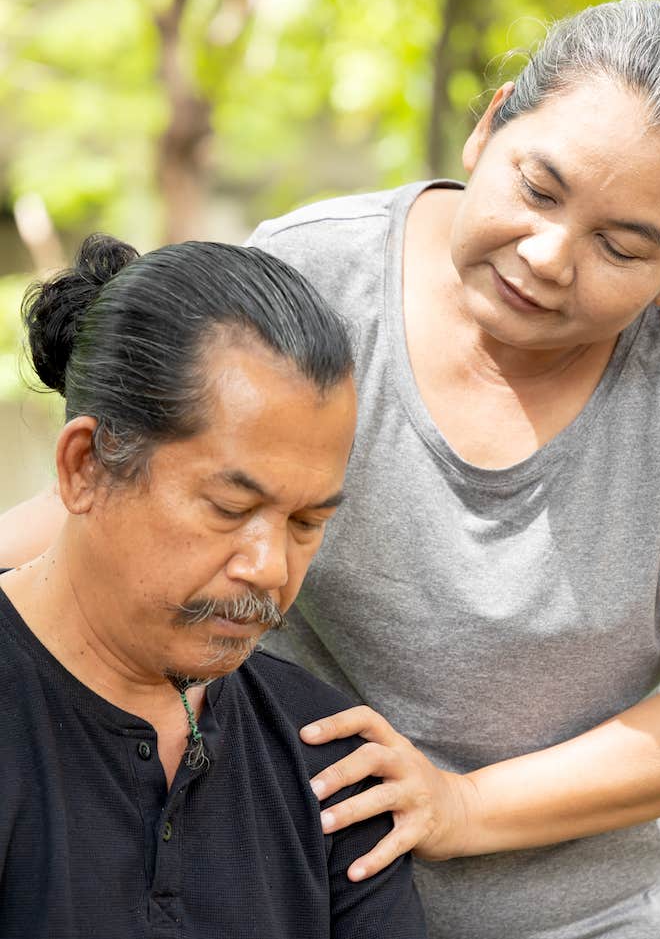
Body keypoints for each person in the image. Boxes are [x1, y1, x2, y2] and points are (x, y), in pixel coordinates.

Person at [0, 0, 660, 939]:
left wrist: (463, 805)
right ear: (490, 125)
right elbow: (134, 485)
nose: (549, 254)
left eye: (621, 244)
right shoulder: (322, 275)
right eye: (539, 188)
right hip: (299, 887)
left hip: (588, 918)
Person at [0, 236, 426, 939]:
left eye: (306, 521)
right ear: (85, 467)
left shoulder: (331, 764)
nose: (268, 566)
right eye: (229, 507)